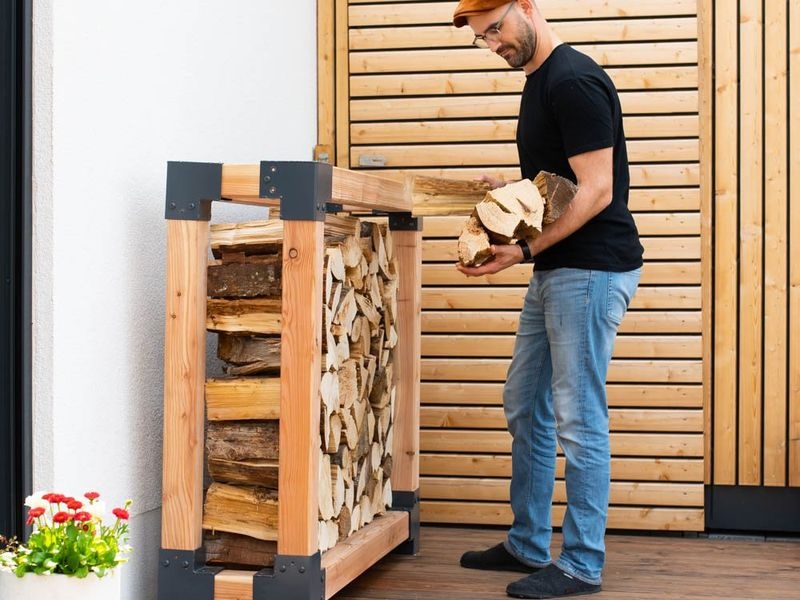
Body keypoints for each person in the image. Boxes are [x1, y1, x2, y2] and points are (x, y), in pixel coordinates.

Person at [451, 1, 644, 598]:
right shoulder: (539, 82)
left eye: (496, 29)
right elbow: (556, 186)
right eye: (482, 39)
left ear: (528, 8)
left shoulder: (573, 81)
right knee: (523, 401)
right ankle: (528, 542)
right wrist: (509, 190)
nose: (493, 45)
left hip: (589, 269)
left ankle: (581, 563)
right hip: (558, 268)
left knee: (578, 418)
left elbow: (597, 190)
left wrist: (524, 251)